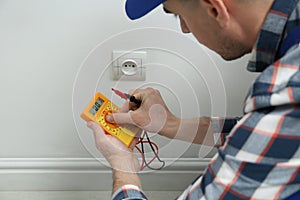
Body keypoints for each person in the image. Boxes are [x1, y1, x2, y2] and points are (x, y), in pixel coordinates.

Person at [87, 0, 300, 199]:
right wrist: (171, 124)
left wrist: (123, 167)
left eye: (179, 15)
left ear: (214, 9)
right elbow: (260, 133)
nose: (184, 28)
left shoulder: (288, 90)